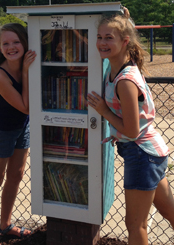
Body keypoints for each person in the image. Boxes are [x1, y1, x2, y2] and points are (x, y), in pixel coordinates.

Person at [87, 14, 174, 245]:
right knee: (170, 213)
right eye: (98, 37)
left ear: (125, 41)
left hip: (142, 153)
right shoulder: (114, 68)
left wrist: (103, 111)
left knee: (135, 225)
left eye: (108, 37)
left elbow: (133, 131)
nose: (102, 42)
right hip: (150, 154)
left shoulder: (125, 81)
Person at [0, 23, 36, 245]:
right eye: (5, 43)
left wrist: (27, 69)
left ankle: (6, 225)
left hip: (23, 126)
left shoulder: (30, 63)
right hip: (1, 130)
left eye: (16, 42)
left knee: (17, 175)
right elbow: (25, 106)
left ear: (24, 43)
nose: (11, 47)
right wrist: (25, 71)